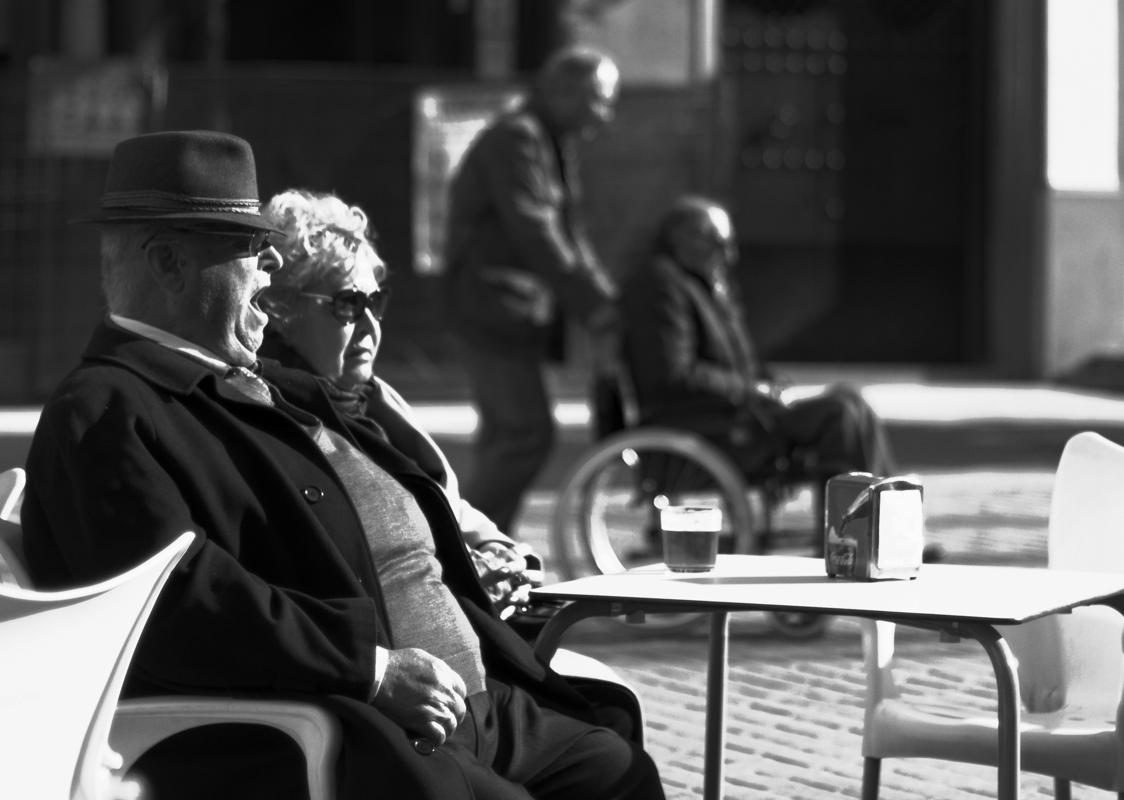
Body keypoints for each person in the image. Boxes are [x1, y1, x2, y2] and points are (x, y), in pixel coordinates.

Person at [22, 131, 664, 800]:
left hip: (469, 704)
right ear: (169, 264)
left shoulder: (275, 386)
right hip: (352, 724)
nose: (269, 274)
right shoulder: (104, 410)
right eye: (251, 251)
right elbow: (181, 602)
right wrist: (371, 668)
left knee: (616, 768)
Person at [256, 188, 538, 616]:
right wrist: (463, 578)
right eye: (347, 305)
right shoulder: (276, 416)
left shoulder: (372, 398)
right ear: (282, 311)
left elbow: (446, 503)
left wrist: (498, 550)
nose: (370, 325)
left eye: (375, 302)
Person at [444, 46, 622, 535]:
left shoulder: (548, 140)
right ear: (562, 90)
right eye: (598, 101)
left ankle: (481, 545)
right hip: (489, 309)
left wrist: (604, 297)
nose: (603, 116)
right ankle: (463, 546)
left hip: (507, 311)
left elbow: (570, 233)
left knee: (507, 436)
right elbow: (536, 230)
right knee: (525, 434)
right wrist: (593, 304)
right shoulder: (518, 138)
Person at [621, 196, 895, 489]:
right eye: (718, 243)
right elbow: (673, 373)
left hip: (731, 411)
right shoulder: (661, 285)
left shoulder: (699, 283)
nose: (729, 256)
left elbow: (736, 361)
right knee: (839, 414)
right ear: (683, 240)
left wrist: (768, 383)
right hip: (708, 422)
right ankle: (850, 524)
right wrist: (750, 389)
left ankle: (883, 510)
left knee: (851, 400)